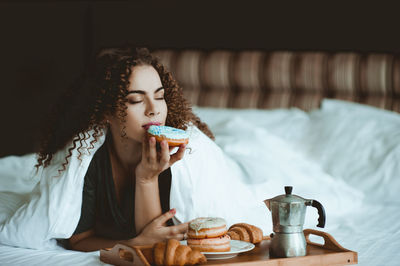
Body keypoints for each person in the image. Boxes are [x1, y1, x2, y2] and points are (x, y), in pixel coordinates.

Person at [34, 46, 215, 251]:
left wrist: (147, 177)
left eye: (159, 96)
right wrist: (132, 244)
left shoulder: (179, 157)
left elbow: (159, 246)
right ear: (106, 113)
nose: (153, 109)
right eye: (136, 100)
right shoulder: (88, 161)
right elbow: (80, 240)